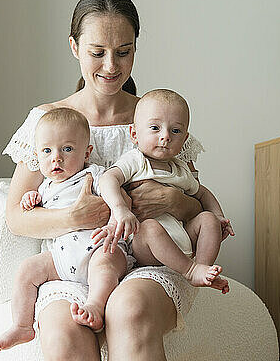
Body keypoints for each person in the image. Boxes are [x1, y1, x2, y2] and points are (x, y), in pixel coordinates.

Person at [2, 0, 218, 360]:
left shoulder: (156, 118)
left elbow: (194, 201)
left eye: (124, 52)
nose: (111, 66)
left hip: (151, 258)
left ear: (135, 47)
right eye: (97, 53)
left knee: (128, 310)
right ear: (74, 48)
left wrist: (172, 201)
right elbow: (16, 218)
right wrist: (75, 216)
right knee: (64, 332)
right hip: (72, 264)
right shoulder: (47, 121)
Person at [0, 108, 134, 351]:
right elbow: (29, 216)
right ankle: (23, 325)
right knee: (28, 270)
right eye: (47, 151)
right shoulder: (45, 187)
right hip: (62, 258)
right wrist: (31, 198)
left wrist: (118, 210)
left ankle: (95, 306)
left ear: (86, 152)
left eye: (67, 149)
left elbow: (119, 196)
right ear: (38, 155)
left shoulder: (95, 174)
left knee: (103, 266)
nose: (56, 158)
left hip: (100, 246)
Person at [97, 89, 234, 294]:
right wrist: (120, 209)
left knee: (207, 219)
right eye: (155, 128)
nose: (166, 136)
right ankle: (190, 270)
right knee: (151, 228)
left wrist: (218, 215)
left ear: (185, 138)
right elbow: (108, 178)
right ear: (134, 134)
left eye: (176, 131)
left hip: (182, 242)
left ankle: (202, 269)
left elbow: (203, 193)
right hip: (145, 246)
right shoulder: (136, 160)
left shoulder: (180, 168)